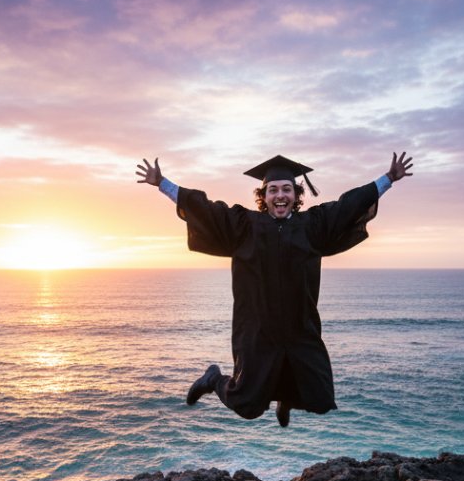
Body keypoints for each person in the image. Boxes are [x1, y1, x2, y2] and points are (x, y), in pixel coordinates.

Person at [136, 152, 414, 427]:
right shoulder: (244, 226)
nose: (280, 195)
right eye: (273, 190)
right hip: (258, 331)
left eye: (286, 189)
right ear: (263, 195)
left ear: (296, 195)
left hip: (299, 329)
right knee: (246, 405)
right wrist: (163, 183)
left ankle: (286, 400)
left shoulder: (313, 226)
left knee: (319, 397)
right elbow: (203, 209)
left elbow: (349, 205)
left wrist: (388, 178)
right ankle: (213, 379)